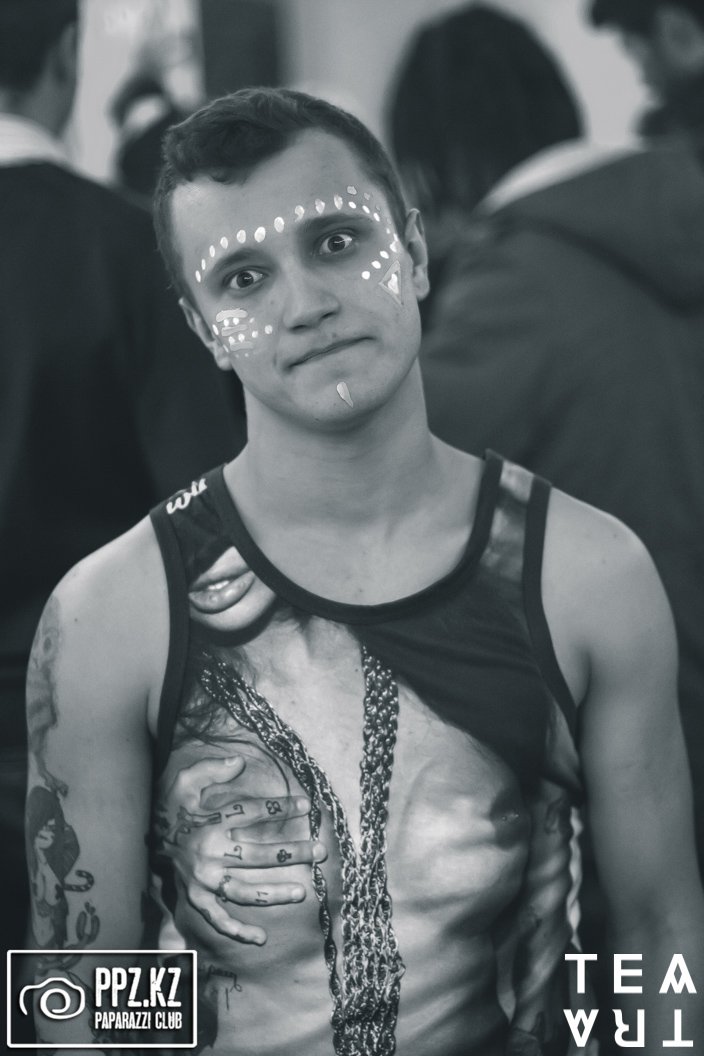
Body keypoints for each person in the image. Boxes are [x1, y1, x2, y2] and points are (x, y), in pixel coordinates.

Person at [25, 86, 703, 1055]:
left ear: (414, 250)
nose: (306, 304)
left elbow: (658, 932)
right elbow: (78, 997)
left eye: (338, 242)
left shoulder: (588, 574)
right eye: (244, 278)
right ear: (202, 327)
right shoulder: (110, 616)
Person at [0, 0, 246, 1004]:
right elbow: (209, 520)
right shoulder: (125, 251)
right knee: (107, 1020)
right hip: (99, 762)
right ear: (66, 56)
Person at [588, 0, 704, 162]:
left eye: (634, 49)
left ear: (678, 32)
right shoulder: (662, 129)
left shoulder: (666, 135)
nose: (642, 76)